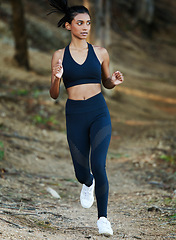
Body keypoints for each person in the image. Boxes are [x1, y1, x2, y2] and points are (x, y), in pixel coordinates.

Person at [48, 0, 124, 236]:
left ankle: (103, 218)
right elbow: (53, 94)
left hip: (98, 111)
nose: (84, 27)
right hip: (75, 114)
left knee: (98, 165)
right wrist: (57, 77)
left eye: (88, 23)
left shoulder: (100, 52)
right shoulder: (59, 55)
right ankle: (87, 182)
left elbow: (106, 83)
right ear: (69, 26)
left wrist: (113, 80)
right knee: (82, 173)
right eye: (79, 23)